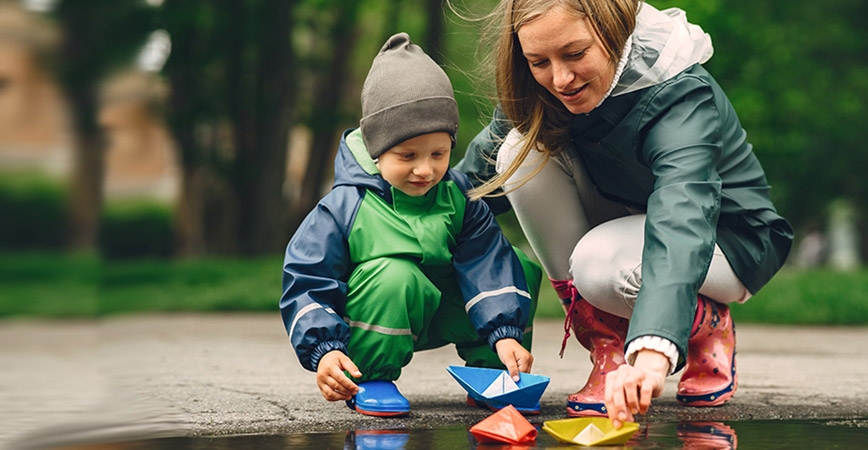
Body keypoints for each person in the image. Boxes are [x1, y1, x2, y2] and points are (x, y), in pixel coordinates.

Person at [454, 0, 793, 428]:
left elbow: (682, 214)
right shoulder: (542, 87)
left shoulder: (680, 92)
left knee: (598, 264)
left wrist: (652, 352)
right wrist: (394, 219)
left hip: (729, 239)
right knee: (517, 153)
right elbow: (469, 188)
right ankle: (606, 347)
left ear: (613, 31)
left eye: (575, 54)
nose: (560, 78)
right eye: (539, 61)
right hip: (624, 217)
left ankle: (702, 323)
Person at [280, 33, 541, 418]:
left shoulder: (458, 196)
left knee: (516, 263)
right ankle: (371, 377)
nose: (425, 169)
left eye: (439, 153)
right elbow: (307, 279)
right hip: (379, 318)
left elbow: (486, 262)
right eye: (407, 155)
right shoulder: (345, 206)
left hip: (445, 308)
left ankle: (496, 370)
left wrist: (504, 334)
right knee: (394, 274)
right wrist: (325, 350)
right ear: (375, 148)